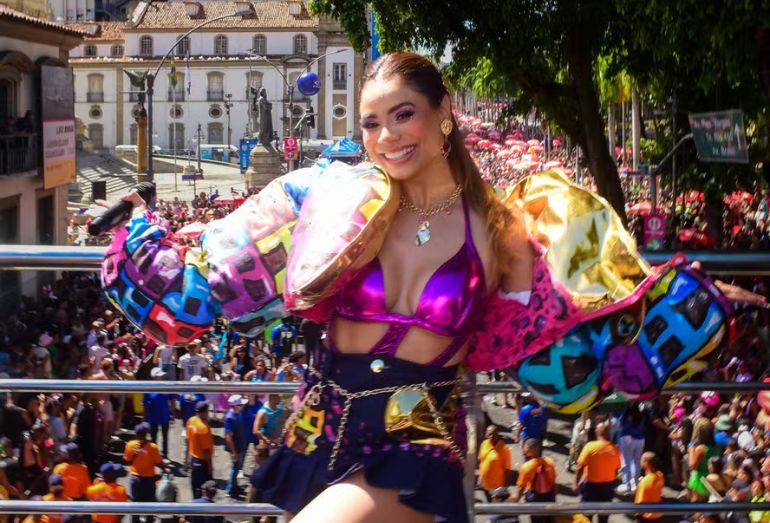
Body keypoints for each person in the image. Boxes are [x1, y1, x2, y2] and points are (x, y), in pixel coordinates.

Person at [103, 51, 764, 523]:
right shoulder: (324, 200)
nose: (386, 136)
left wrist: (682, 299)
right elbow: (191, 293)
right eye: (370, 122)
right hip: (315, 437)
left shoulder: (508, 228)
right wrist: (140, 223)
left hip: (413, 447)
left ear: (445, 113)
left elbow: (584, 328)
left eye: (404, 114)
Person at [574, 422, 621, 523]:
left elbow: (580, 466)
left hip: (590, 487)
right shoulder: (615, 449)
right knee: (603, 517)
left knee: (586, 516)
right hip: (607, 488)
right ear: (607, 434)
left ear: (597, 433)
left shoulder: (590, 446)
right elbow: (616, 469)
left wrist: (576, 483)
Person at [123, 422, 162, 523]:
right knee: (150, 504)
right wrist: (165, 470)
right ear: (146, 433)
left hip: (135, 479)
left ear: (136, 434)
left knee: (135, 504)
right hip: (149, 480)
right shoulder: (153, 447)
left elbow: (127, 461)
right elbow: (159, 462)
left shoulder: (130, 445)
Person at [512, 438, 556, 523]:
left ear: (533, 450)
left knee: (536, 520)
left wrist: (514, 502)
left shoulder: (527, 467)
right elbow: (553, 483)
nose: (523, 448)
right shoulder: (550, 462)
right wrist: (553, 499)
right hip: (549, 497)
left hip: (535, 499)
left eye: (526, 447)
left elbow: (520, 489)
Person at [143, 368, 174, 457]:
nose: (162, 377)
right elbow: (145, 406)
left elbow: (172, 400)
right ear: (154, 377)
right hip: (153, 418)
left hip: (165, 416)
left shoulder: (167, 387)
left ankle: (165, 454)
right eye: (160, 375)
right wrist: (144, 420)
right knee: (153, 438)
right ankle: (154, 455)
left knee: (165, 438)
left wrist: (172, 413)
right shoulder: (148, 389)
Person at [186, 401, 214, 499]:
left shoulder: (191, 420)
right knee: (205, 488)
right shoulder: (203, 429)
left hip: (193, 458)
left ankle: (195, 503)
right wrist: (210, 467)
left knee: (195, 486)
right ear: (204, 412)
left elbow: (187, 439)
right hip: (202, 462)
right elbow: (206, 451)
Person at [224, 394, 249, 498]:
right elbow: (228, 437)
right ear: (235, 406)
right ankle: (230, 489)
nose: (242, 406)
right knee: (235, 468)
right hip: (236, 448)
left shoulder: (238, 413)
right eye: (240, 404)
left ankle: (234, 486)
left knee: (238, 467)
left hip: (241, 445)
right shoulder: (230, 418)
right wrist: (233, 452)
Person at [479, 425, 511, 493]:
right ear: (486, 435)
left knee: (495, 502)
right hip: (485, 483)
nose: (492, 436)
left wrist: (505, 486)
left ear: (498, 435)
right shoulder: (484, 444)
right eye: (490, 434)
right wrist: (480, 477)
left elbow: (507, 469)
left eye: (495, 434)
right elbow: (481, 461)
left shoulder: (504, 449)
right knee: (487, 501)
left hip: (497, 485)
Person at [634, 452, 664, 523]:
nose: (640, 462)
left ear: (646, 463)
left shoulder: (645, 482)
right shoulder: (660, 475)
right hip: (657, 513)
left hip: (647, 517)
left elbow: (640, 503)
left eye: (641, 460)